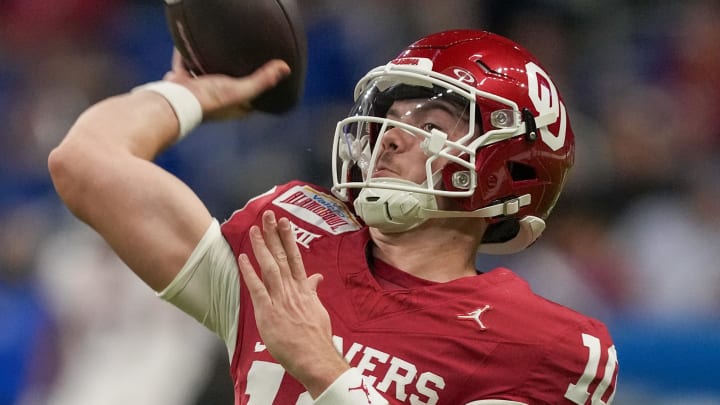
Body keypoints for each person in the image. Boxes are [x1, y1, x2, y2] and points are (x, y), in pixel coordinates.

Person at [48, 29, 618, 404]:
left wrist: (326, 371)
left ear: (508, 163)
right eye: (391, 116)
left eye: (433, 121)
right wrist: (187, 95)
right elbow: (84, 164)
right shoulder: (289, 254)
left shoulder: (540, 346)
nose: (392, 134)